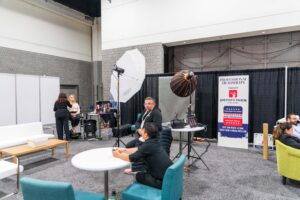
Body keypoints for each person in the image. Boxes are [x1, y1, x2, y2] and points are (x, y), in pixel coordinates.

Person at [112, 123, 173, 189]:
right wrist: (124, 150)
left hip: (162, 182)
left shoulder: (148, 145)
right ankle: (136, 170)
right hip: (169, 175)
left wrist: (117, 155)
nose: (141, 130)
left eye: (143, 130)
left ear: (146, 134)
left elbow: (130, 158)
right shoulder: (154, 141)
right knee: (145, 165)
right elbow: (138, 149)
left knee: (139, 176)